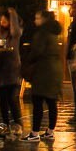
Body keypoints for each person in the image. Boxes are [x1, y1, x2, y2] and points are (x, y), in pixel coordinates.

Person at [21, 9, 64, 141]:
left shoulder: (42, 33)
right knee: (51, 102)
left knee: (38, 101)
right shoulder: (54, 32)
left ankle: (34, 133)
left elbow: (37, 51)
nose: (35, 21)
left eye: (37, 18)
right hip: (54, 69)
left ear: (44, 19)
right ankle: (50, 131)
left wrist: (27, 59)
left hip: (43, 70)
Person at [0, 7, 23, 137]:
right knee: (2, 99)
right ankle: (6, 124)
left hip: (12, 69)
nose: (2, 21)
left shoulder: (15, 34)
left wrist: (12, 14)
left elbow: (15, 30)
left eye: (5, 20)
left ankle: (18, 124)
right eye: (1, 20)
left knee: (12, 98)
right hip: (0, 69)